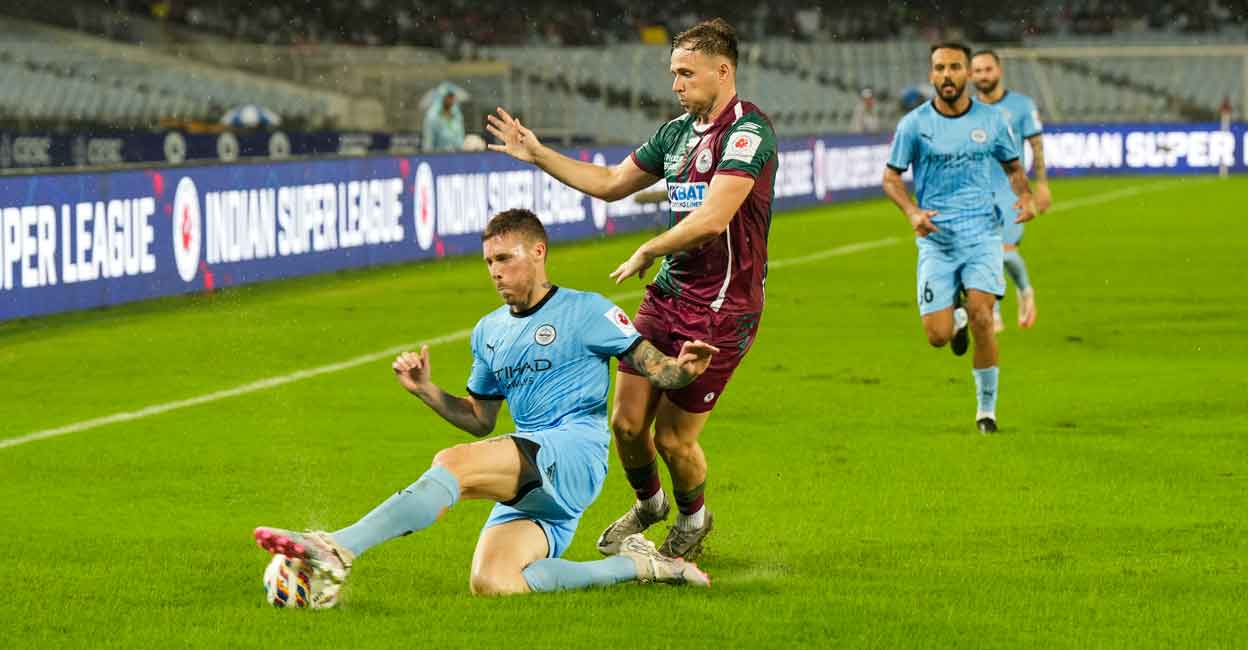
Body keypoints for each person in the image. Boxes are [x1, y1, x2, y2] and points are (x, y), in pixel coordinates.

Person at [254, 209, 717, 598]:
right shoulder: (488, 331)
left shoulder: (587, 310)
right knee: (494, 582)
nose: (495, 270)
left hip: (572, 452)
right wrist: (427, 391)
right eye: (488, 261)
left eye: (504, 258)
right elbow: (479, 420)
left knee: (452, 463)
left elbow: (656, 368)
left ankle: (337, 546)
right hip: (530, 466)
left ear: (538, 253)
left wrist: (686, 370)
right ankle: (644, 566)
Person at [484, 17, 776, 560]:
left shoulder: (748, 134)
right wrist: (539, 153)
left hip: (721, 307)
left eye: (686, 73)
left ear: (723, 70)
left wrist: (649, 248)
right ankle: (650, 505)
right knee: (624, 423)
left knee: (672, 438)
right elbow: (612, 184)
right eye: (673, 73)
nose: (676, 84)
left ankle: (693, 519)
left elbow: (713, 219)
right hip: (668, 294)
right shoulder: (674, 134)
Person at [881, 43, 1036, 434]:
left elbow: (1014, 166)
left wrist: (1026, 197)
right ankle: (957, 318)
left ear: (967, 73)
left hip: (983, 233)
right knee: (937, 336)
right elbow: (891, 177)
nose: (946, 75)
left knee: (986, 316)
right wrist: (912, 211)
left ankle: (987, 411)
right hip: (937, 239)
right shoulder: (914, 124)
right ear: (931, 74)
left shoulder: (992, 120)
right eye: (939, 68)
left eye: (954, 67)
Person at [971, 50, 1051, 331]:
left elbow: (1036, 145)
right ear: (970, 75)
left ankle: (1025, 290)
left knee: (1003, 251)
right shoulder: (967, 109)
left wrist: (1041, 184)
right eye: (977, 71)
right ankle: (992, 311)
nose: (983, 75)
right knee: (980, 255)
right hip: (977, 191)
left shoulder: (1021, 105)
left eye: (988, 69)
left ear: (999, 70)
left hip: (1010, 191)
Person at [422, 83, 466, 152]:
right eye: (449, 96)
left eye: (452, 97)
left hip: (457, 157)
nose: (451, 100)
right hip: (439, 158)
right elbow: (428, 143)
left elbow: (460, 137)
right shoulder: (432, 117)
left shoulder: (457, 114)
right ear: (442, 97)